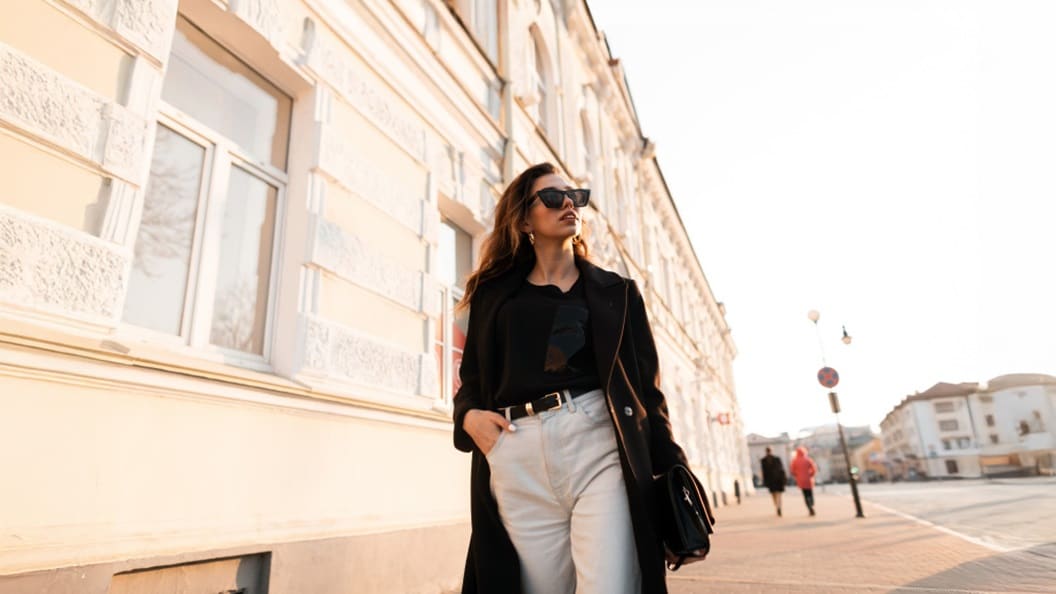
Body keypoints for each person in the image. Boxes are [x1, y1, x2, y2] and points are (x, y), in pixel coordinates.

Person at [452, 163, 704, 594]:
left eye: (575, 196)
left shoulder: (617, 293)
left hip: (596, 445)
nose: (568, 203)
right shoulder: (496, 294)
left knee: (610, 585)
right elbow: (472, 376)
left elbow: (647, 392)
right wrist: (467, 417)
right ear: (525, 219)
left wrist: (673, 469)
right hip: (517, 452)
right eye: (552, 197)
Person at [789, 446, 818, 516]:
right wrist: (811, 474)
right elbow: (814, 468)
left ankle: (809, 506)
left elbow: (792, 471)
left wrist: (797, 475)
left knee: (805, 494)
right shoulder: (808, 459)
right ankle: (811, 504)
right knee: (810, 493)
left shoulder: (794, 461)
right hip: (808, 479)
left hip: (801, 480)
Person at [759, 447, 787, 516]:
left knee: (778, 494)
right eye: (768, 451)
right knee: (774, 494)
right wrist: (764, 481)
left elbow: (781, 469)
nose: (769, 452)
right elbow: (763, 471)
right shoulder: (763, 460)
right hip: (771, 480)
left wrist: (783, 479)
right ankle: (777, 505)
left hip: (778, 480)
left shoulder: (777, 459)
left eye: (769, 451)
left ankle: (779, 507)